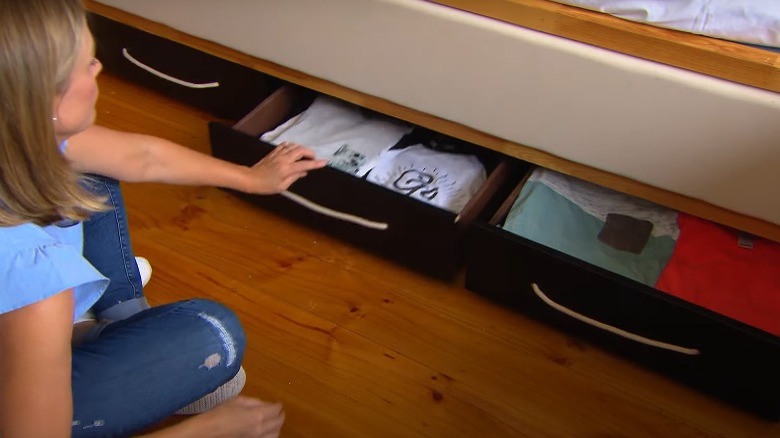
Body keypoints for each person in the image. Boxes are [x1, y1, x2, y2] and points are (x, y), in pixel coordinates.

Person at [0, 0, 327, 436]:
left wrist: (252, 178)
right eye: (87, 63)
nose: (99, 69)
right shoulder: (32, 286)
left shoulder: (21, 136)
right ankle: (91, 341)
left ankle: (98, 327)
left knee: (92, 167)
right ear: (43, 102)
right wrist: (204, 432)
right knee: (215, 335)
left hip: (35, 322)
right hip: (22, 365)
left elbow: (143, 157)